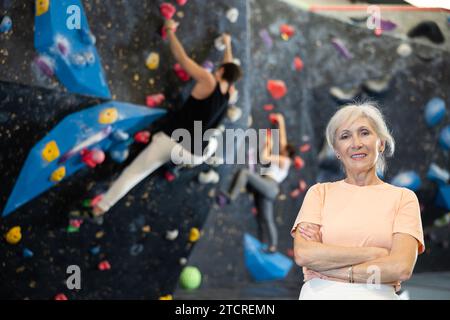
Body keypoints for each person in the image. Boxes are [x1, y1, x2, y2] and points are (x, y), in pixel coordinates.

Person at [91, 19, 242, 217]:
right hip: (196, 155)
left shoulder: (208, 80)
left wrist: (170, 30)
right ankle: (171, 168)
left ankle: (102, 206)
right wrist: (227, 44)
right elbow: (228, 68)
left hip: (174, 141)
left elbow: (182, 58)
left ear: (221, 71)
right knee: (204, 144)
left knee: (135, 172)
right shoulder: (229, 93)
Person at [291, 103, 425, 300]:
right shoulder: (319, 193)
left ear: (381, 143)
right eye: (345, 136)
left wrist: (333, 269)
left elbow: (400, 267)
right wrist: (375, 253)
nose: (356, 143)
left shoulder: (404, 198)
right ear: (337, 150)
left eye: (364, 133)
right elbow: (304, 255)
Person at [226, 113, 295, 253]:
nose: (281, 146)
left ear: (287, 152)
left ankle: (230, 197)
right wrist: (280, 121)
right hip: (267, 187)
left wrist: (268, 145)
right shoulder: (283, 156)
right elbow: (282, 139)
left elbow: (264, 157)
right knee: (264, 218)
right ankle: (270, 245)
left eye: (283, 148)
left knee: (245, 173)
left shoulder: (285, 160)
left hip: (270, 186)